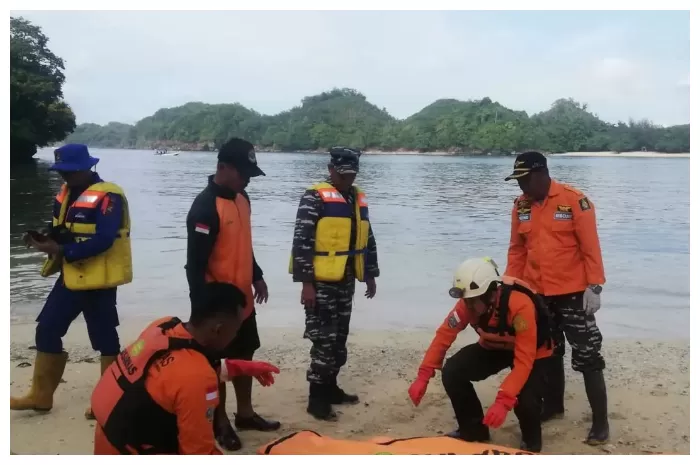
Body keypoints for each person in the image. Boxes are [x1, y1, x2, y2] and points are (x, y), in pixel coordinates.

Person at [10, 143, 131, 420]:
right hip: (71, 274)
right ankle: (40, 396)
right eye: (61, 172)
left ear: (87, 168)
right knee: (47, 329)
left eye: (70, 172)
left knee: (104, 339)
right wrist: (44, 237)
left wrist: (61, 250)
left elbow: (104, 239)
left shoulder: (109, 196)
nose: (65, 177)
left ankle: (108, 400)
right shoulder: (64, 193)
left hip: (100, 278)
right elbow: (61, 228)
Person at [91, 282, 280, 455]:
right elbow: (198, 452)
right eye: (236, 329)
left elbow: (171, 375)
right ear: (218, 328)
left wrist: (243, 367)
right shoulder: (197, 378)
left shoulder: (164, 326)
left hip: (108, 441)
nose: (236, 335)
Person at [504, 151, 608, 445]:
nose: (520, 187)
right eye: (517, 181)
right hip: (537, 295)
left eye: (523, 180)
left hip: (574, 294)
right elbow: (516, 250)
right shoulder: (520, 206)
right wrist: (512, 287)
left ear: (541, 174)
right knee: (549, 353)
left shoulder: (575, 201)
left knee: (588, 357)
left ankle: (600, 422)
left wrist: (595, 286)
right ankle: (553, 407)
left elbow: (591, 247)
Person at [185, 137, 278, 451]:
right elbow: (194, 265)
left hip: (243, 302)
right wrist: (202, 311)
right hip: (216, 308)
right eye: (243, 173)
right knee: (215, 365)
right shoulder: (204, 208)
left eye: (251, 174)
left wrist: (258, 276)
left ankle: (246, 414)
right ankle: (219, 420)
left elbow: (243, 244)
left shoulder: (243, 198)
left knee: (244, 355)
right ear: (222, 167)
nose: (248, 179)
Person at [407, 257, 553, 453]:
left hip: (532, 353)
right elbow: (444, 335)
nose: (466, 306)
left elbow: (524, 361)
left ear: (491, 294)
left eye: (471, 301)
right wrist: (424, 374)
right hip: (494, 347)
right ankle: (473, 430)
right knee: (453, 371)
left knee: (526, 399)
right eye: (465, 300)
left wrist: (503, 400)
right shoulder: (468, 303)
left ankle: (531, 441)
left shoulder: (519, 306)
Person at [290, 146, 379, 421]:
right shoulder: (314, 197)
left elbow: (368, 239)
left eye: (351, 175)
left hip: (347, 280)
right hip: (321, 282)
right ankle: (316, 399)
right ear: (331, 170)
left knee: (339, 339)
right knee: (323, 340)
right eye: (342, 175)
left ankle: (330, 388)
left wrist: (371, 274)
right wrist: (306, 284)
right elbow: (301, 242)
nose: (347, 180)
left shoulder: (357, 198)